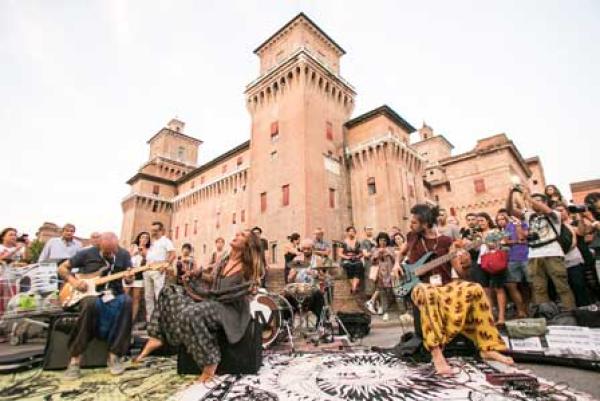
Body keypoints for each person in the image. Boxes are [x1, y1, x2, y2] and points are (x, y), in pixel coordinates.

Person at [393, 204, 512, 376]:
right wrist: (397, 264)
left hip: (445, 285)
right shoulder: (411, 237)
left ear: (425, 223)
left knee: (475, 288)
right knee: (429, 293)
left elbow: (462, 273)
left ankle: (487, 346)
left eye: (413, 222)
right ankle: (436, 352)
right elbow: (400, 253)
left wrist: (466, 263)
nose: (410, 225)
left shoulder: (446, 242)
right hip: (419, 286)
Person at [135, 230, 261, 383]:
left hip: (230, 311)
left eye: (242, 235)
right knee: (170, 291)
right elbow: (213, 280)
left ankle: (210, 361)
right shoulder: (224, 260)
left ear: (248, 244)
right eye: (238, 233)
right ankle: (156, 337)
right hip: (213, 301)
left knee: (191, 313)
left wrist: (252, 288)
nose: (236, 235)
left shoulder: (248, 268)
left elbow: (250, 287)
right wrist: (196, 274)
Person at [57, 232, 134, 379]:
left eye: (113, 251)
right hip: (89, 294)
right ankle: (75, 360)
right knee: (90, 305)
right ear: (99, 245)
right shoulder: (87, 253)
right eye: (107, 252)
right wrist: (74, 282)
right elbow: (62, 268)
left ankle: (114, 355)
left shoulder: (124, 255)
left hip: (113, 293)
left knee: (126, 302)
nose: (111, 254)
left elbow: (129, 280)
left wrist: (129, 278)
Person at [507, 187, 575, 311]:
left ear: (545, 203)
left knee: (562, 286)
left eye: (538, 201)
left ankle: (571, 312)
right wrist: (510, 193)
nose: (534, 202)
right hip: (534, 255)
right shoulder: (528, 215)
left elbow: (546, 210)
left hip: (552, 253)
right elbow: (510, 210)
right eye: (533, 201)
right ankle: (546, 314)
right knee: (539, 289)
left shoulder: (555, 214)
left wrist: (528, 198)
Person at [469, 212, 508, 325]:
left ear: (487, 221)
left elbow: (496, 245)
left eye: (482, 220)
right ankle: (490, 315)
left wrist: (483, 238)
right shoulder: (478, 234)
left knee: (498, 288)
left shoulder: (494, 231)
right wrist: (474, 241)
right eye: (478, 221)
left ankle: (501, 317)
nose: (479, 223)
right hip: (482, 262)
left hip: (495, 262)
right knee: (486, 291)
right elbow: (476, 249)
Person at [555, 203, 594, 307]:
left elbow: (581, 232)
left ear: (567, 211)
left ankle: (586, 309)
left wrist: (581, 216)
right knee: (566, 289)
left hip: (574, 261)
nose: (560, 212)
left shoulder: (571, 224)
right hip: (558, 262)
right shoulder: (552, 225)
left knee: (579, 285)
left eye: (562, 210)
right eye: (557, 210)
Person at [285, 239, 326, 323]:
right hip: (298, 289)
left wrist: (316, 275)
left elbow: (323, 278)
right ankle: (286, 323)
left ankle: (319, 323)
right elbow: (289, 279)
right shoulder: (297, 259)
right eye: (304, 249)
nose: (306, 251)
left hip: (313, 288)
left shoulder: (318, 260)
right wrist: (293, 274)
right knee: (285, 297)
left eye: (308, 249)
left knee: (318, 295)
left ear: (312, 248)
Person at [498, 212, 530, 318]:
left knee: (528, 284)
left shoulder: (523, 224)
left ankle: (528, 308)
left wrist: (513, 241)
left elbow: (523, 238)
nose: (501, 221)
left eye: (503, 218)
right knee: (511, 285)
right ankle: (520, 310)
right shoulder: (504, 230)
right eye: (499, 219)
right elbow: (505, 242)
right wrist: (515, 241)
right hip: (511, 259)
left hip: (525, 256)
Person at [365, 232, 402, 321]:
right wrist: (377, 253)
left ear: (387, 241)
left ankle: (402, 312)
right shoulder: (374, 249)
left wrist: (388, 252)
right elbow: (372, 261)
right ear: (378, 241)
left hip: (391, 274)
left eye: (384, 240)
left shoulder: (391, 249)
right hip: (380, 275)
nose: (382, 242)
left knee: (397, 293)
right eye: (381, 240)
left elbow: (396, 259)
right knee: (383, 295)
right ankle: (385, 313)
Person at [144, 221, 176, 322]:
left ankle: (160, 320)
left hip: (158, 269)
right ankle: (150, 320)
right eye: (152, 230)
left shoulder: (165, 241)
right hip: (148, 269)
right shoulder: (152, 242)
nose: (153, 232)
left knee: (159, 295)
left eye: (155, 230)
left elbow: (173, 254)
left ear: (161, 231)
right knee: (148, 296)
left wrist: (165, 266)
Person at [125, 231, 150, 323]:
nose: (144, 239)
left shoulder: (148, 249)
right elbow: (127, 257)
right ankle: (121, 318)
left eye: (147, 238)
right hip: (129, 271)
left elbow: (148, 260)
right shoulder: (133, 246)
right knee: (125, 296)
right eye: (143, 237)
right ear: (139, 238)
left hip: (139, 273)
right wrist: (135, 252)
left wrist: (143, 252)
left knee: (136, 298)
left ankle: (131, 321)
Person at [338, 226, 365, 294]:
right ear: (347, 232)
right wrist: (347, 257)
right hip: (347, 259)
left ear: (355, 233)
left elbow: (361, 253)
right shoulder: (343, 242)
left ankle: (353, 288)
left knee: (359, 265)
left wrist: (357, 256)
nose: (351, 233)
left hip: (356, 259)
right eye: (350, 231)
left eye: (353, 231)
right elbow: (340, 253)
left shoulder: (358, 242)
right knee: (348, 265)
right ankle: (355, 288)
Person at [361, 226, 378, 297]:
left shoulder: (376, 240)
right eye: (368, 229)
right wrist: (373, 250)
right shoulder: (364, 242)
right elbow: (365, 254)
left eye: (371, 229)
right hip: (369, 263)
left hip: (378, 262)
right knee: (369, 278)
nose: (369, 231)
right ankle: (370, 297)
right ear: (365, 231)